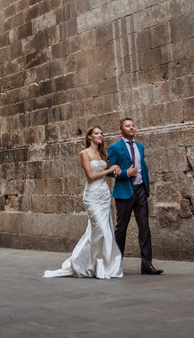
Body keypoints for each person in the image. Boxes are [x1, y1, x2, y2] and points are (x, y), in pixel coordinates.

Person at [44, 126, 124, 279]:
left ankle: (104, 265)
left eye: (101, 133)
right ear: (89, 137)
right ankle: (85, 263)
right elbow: (91, 176)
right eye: (97, 133)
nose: (100, 135)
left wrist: (117, 169)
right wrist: (108, 170)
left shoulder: (102, 154)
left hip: (104, 195)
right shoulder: (84, 153)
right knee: (99, 228)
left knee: (102, 230)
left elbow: (111, 169)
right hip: (92, 196)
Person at [108, 117, 163, 275]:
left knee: (144, 228)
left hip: (140, 191)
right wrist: (126, 173)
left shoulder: (140, 147)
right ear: (121, 129)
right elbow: (111, 171)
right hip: (124, 193)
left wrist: (147, 191)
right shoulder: (115, 148)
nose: (131, 128)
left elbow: (143, 169)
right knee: (121, 229)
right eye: (127, 126)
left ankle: (147, 264)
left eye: (132, 125)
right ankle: (115, 264)